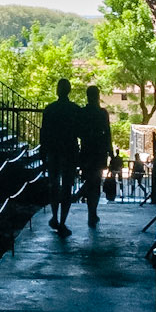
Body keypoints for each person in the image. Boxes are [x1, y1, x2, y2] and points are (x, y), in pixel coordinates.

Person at [39, 77, 82, 234]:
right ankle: (63, 220)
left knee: (54, 185)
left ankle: (55, 216)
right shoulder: (75, 110)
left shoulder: (50, 109)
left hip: (53, 151)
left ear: (57, 91)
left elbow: (44, 133)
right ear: (69, 90)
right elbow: (80, 132)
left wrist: (43, 152)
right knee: (67, 187)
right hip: (70, 150)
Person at [79, 84, 113, 227]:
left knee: (88, 180)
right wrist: (110, 150)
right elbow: (107, 132)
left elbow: (79, 132)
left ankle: (90, 211)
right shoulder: (102, 113)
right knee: (96, 182)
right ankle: (93, 212)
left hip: (86, 150)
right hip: (99, 152)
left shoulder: (82, 113)